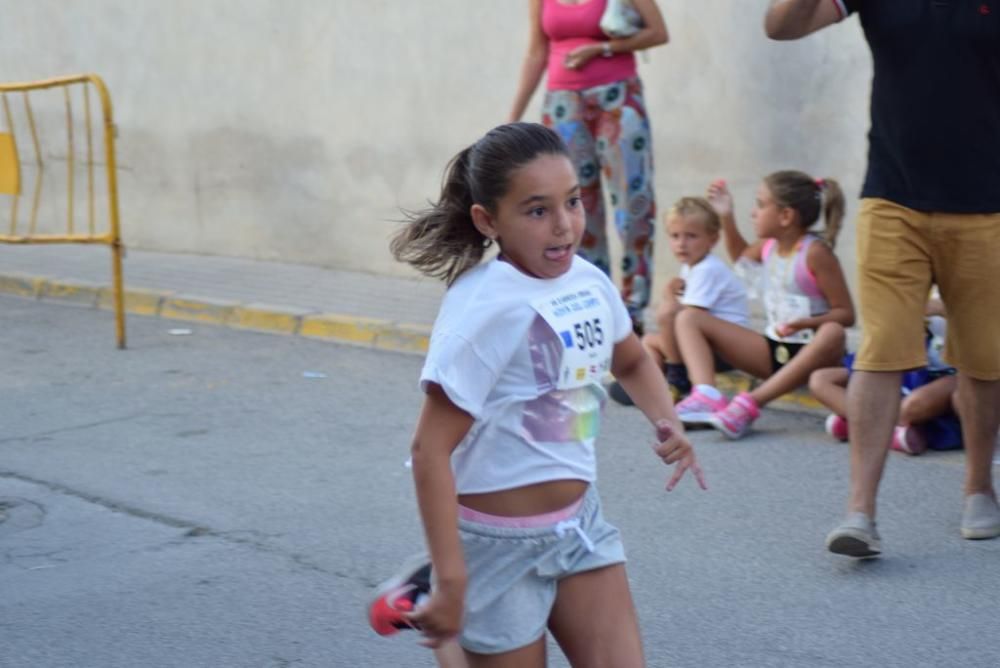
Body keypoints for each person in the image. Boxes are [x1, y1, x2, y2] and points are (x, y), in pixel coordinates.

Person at [385, 122, 705, 666]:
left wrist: (666, 418)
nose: (564, 227)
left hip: (580, 527)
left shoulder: (589, 281)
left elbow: (629, 358)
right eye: (537, 211)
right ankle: (445, 598)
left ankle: (443, 607)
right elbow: (428, 450)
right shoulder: (482, 309)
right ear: (488, 220)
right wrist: (458, 577)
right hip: (495, 546)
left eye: (572, 203)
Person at [765, 0, 1000, 555]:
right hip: (892, 197)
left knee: (984, 356)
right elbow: (781, 26)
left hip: (988, 203)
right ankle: (859, 513)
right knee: (880, 351)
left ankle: (978, 488)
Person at [509, 0, 669, 334]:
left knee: (632, 204)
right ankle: (592, 302)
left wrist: (603, 48)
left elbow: (658, 32)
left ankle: (632, 310)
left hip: (618, 98)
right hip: (563, 105)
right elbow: (536, 52)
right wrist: (512, 118)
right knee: (573, 208)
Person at [671, 174, 855, 439]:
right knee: (689, 318)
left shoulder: (815, 253)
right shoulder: (769, 246)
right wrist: (726, 215)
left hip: (814, 353)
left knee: (833, 331)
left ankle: (750, 404)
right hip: (774, 350)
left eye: (760, 205)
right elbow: (741, 261)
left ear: (785, 216)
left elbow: (846, 314)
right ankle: (706, 396)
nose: (753, 213)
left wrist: (806, 323)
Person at [609, 195, 750, 406]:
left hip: (726, 350)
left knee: (667, 313)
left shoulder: (708, 269)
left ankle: (676, 380)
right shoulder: (692, 266)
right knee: (649, 341)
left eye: (691, 236)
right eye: (675, 236)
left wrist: (668, 296)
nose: (681, 244)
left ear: (713, 239)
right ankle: (649, 385)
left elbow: (687, 319)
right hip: (707, 345)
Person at [809, 295, 962, 455]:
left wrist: (944, 309)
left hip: (951, 374)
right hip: (906, 364)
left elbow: (986, 335)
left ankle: (859, 426)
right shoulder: (918, 278)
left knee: (909, 408)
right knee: (820, 380)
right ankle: (889, 431)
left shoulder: (978, 281)